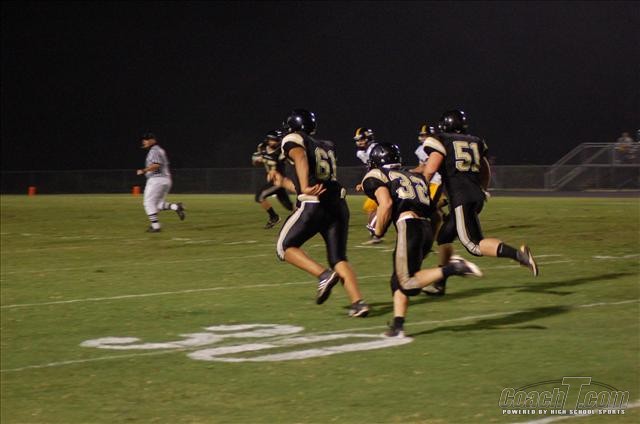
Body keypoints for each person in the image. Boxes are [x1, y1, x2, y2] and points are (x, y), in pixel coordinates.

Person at [362, 143, 482, 337]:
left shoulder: (376, 175)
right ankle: (398, 326)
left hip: (409, 227)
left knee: (407, 282)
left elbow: (387, 204)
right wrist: (428, 241)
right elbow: (435, 213)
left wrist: (378, 232)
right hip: (425, 227)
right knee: (398, 279)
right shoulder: (414, 176)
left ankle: (453, 268)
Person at [421, 110, 539, 279]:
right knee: (445, 237)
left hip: (461, 198)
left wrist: (421, 191)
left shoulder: (442, 140)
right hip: (475, 196)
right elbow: (485, 169)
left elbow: (430, 170)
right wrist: (483, 189)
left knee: (474, 245)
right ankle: (439, 284)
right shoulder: (476, 141)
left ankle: (519, 256)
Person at [276, 109, 369, 317]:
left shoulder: (294, 139)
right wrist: (287, 183)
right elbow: (315, 179)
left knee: (284, 247)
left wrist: (304, 187)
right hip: (337, 204)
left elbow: (300, 157)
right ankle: (358, 303)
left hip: (314, 204)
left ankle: (324, 275)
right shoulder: (326, 145)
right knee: (338, 258)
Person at [410, 123, 448, 296]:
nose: (423, 138)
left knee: (427, 212)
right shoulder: (423, 149)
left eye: (426, 135)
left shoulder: (437, 146)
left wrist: (411, 173)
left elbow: (428, 169)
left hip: (435, 182)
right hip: (434, 182)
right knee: (435, 215)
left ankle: (424, 248)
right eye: (422, 135)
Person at [136, 132, 185, 232]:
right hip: (165, 179)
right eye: (144, 139)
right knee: (158, 204)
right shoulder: (159, 150)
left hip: (156, 180)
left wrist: (143, 170)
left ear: (153, 140)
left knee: (148, 203)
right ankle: (176, 207)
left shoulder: (154, 150)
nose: (144, 141)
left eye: (147, 139)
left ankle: (156, 226)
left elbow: (156, 165)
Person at [251, 129, 294, 228]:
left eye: (278, 140)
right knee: (289, 206)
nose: (276, 142)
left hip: (278, 181)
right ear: (268, 139)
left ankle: (274, 217)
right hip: (273, 181)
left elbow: (292, 160)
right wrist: (257, 160)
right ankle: (308, 216)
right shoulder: (262, 147)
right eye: (274, 140)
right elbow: (255, 162)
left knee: (259, 196)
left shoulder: (281, 151)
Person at [353, 127, 383, 244]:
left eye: (362, 139)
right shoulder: (362, 153)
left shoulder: (374, 149)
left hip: (383, 179)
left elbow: (378, 167)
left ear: (368, 138)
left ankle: (375, 233)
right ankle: (374, 233)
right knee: (370, 207)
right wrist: (363, 182)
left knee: (381, 207)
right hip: (377, 178)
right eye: (358, 140)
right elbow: (370, 168)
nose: (359, 142)